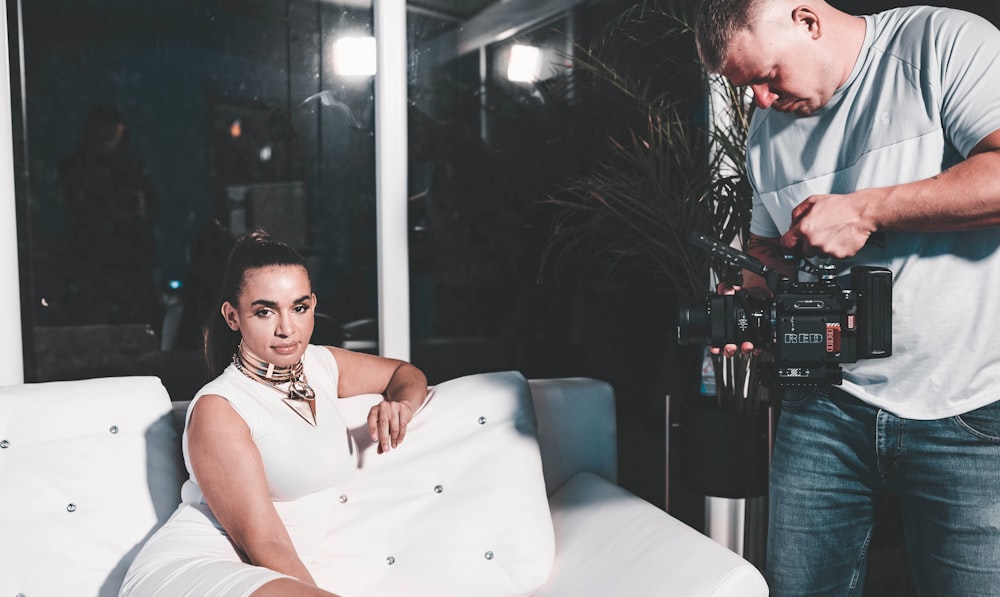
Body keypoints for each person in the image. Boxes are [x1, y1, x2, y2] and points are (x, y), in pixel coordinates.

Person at [694, 1, 1000, 595]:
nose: (759, 99)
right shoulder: (766, 134)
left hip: (968, 406)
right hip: (824, 406)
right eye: (746, 86)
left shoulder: (938, 43)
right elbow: (764, 252)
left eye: (766, 75)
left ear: (806, 21)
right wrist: (755, 302)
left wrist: (866, 209)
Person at [120, 230, 429, 597]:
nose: (287, 329)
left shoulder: (321, 364)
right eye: (265, 311)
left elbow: (403, 373)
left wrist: (401, 406)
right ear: (232, 317)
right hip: (203, 569)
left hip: (269, 575)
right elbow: (265, 543)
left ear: (314, 304)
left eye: (299, 307)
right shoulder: (221, 408)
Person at [58, 103, 161, 326]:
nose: (109, 134)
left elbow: (150, 209)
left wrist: (139, 208)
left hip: (132, 261)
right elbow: (73, 215)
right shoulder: (75, 169)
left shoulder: (134, 167)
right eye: (103, 129)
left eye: (114, 128)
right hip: (93, 263)